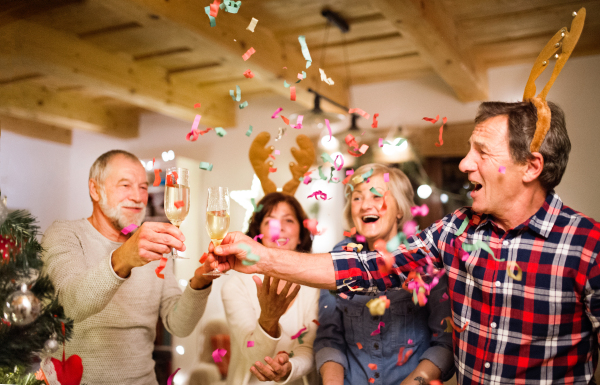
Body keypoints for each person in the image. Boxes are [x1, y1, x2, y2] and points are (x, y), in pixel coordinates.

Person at [210, 101, 600, 384]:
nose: (464, 164)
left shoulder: (588, 247)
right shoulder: (456, 231)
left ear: (531, 166)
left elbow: (441, 340)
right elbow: (366, 269)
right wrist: (260, 256)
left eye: (481, 152)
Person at [41, 150, 220, 385]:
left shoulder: (151, 245)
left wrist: (200, 282)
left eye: (144, 187)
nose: (137, 197)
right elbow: (69, 306)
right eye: (125, 185)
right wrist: (123, 259)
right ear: (95, 190)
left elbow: (179, 325)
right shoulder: (65, 234)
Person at [315, 164, 454, 385]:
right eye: (357, 198)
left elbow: (445, 343)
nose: (365, 206)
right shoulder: (337, 260)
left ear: (399, 209)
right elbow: (329, 339)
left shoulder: (426, 259)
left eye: (377, 195)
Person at [221, 192, 319, 385]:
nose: (279, 227)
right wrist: (268, 318)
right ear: (258, 235)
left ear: (300, 235)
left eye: (288, 220)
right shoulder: (236, 285)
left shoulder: (315, 286)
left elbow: (309, 346)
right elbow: (253, 357)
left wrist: (289, 367)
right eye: (270, 221)